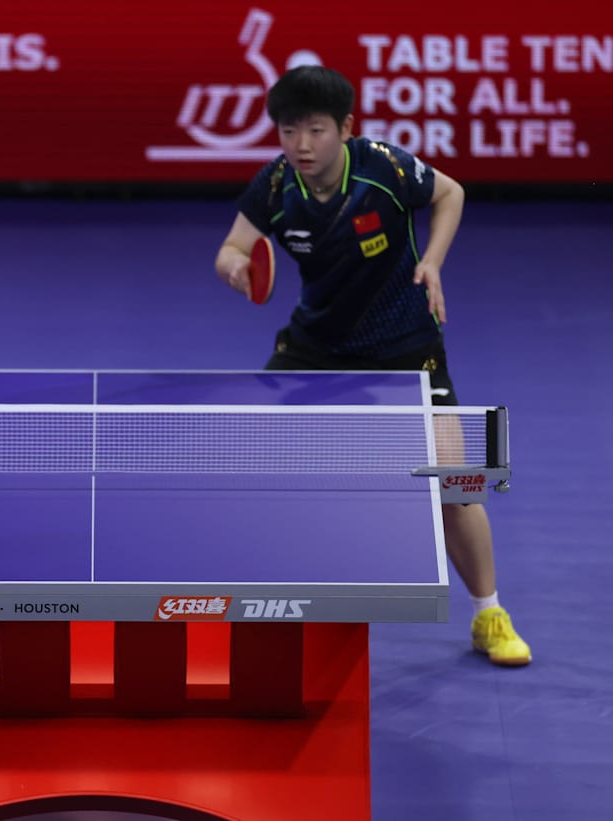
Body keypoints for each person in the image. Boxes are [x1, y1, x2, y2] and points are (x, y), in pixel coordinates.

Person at [213, 66, 531, 667]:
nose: (302, 145)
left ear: (345, 128)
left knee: (458, 485)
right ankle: (266, 606)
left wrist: (432, 261)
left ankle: (489, 614)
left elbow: (451, 193)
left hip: (407, 345)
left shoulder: (384, 169)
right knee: (247, 461)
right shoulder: (276, 184)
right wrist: (234, 267)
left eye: (316, 130)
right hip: (315, 347)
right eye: (289, 131)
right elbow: (232, 247)